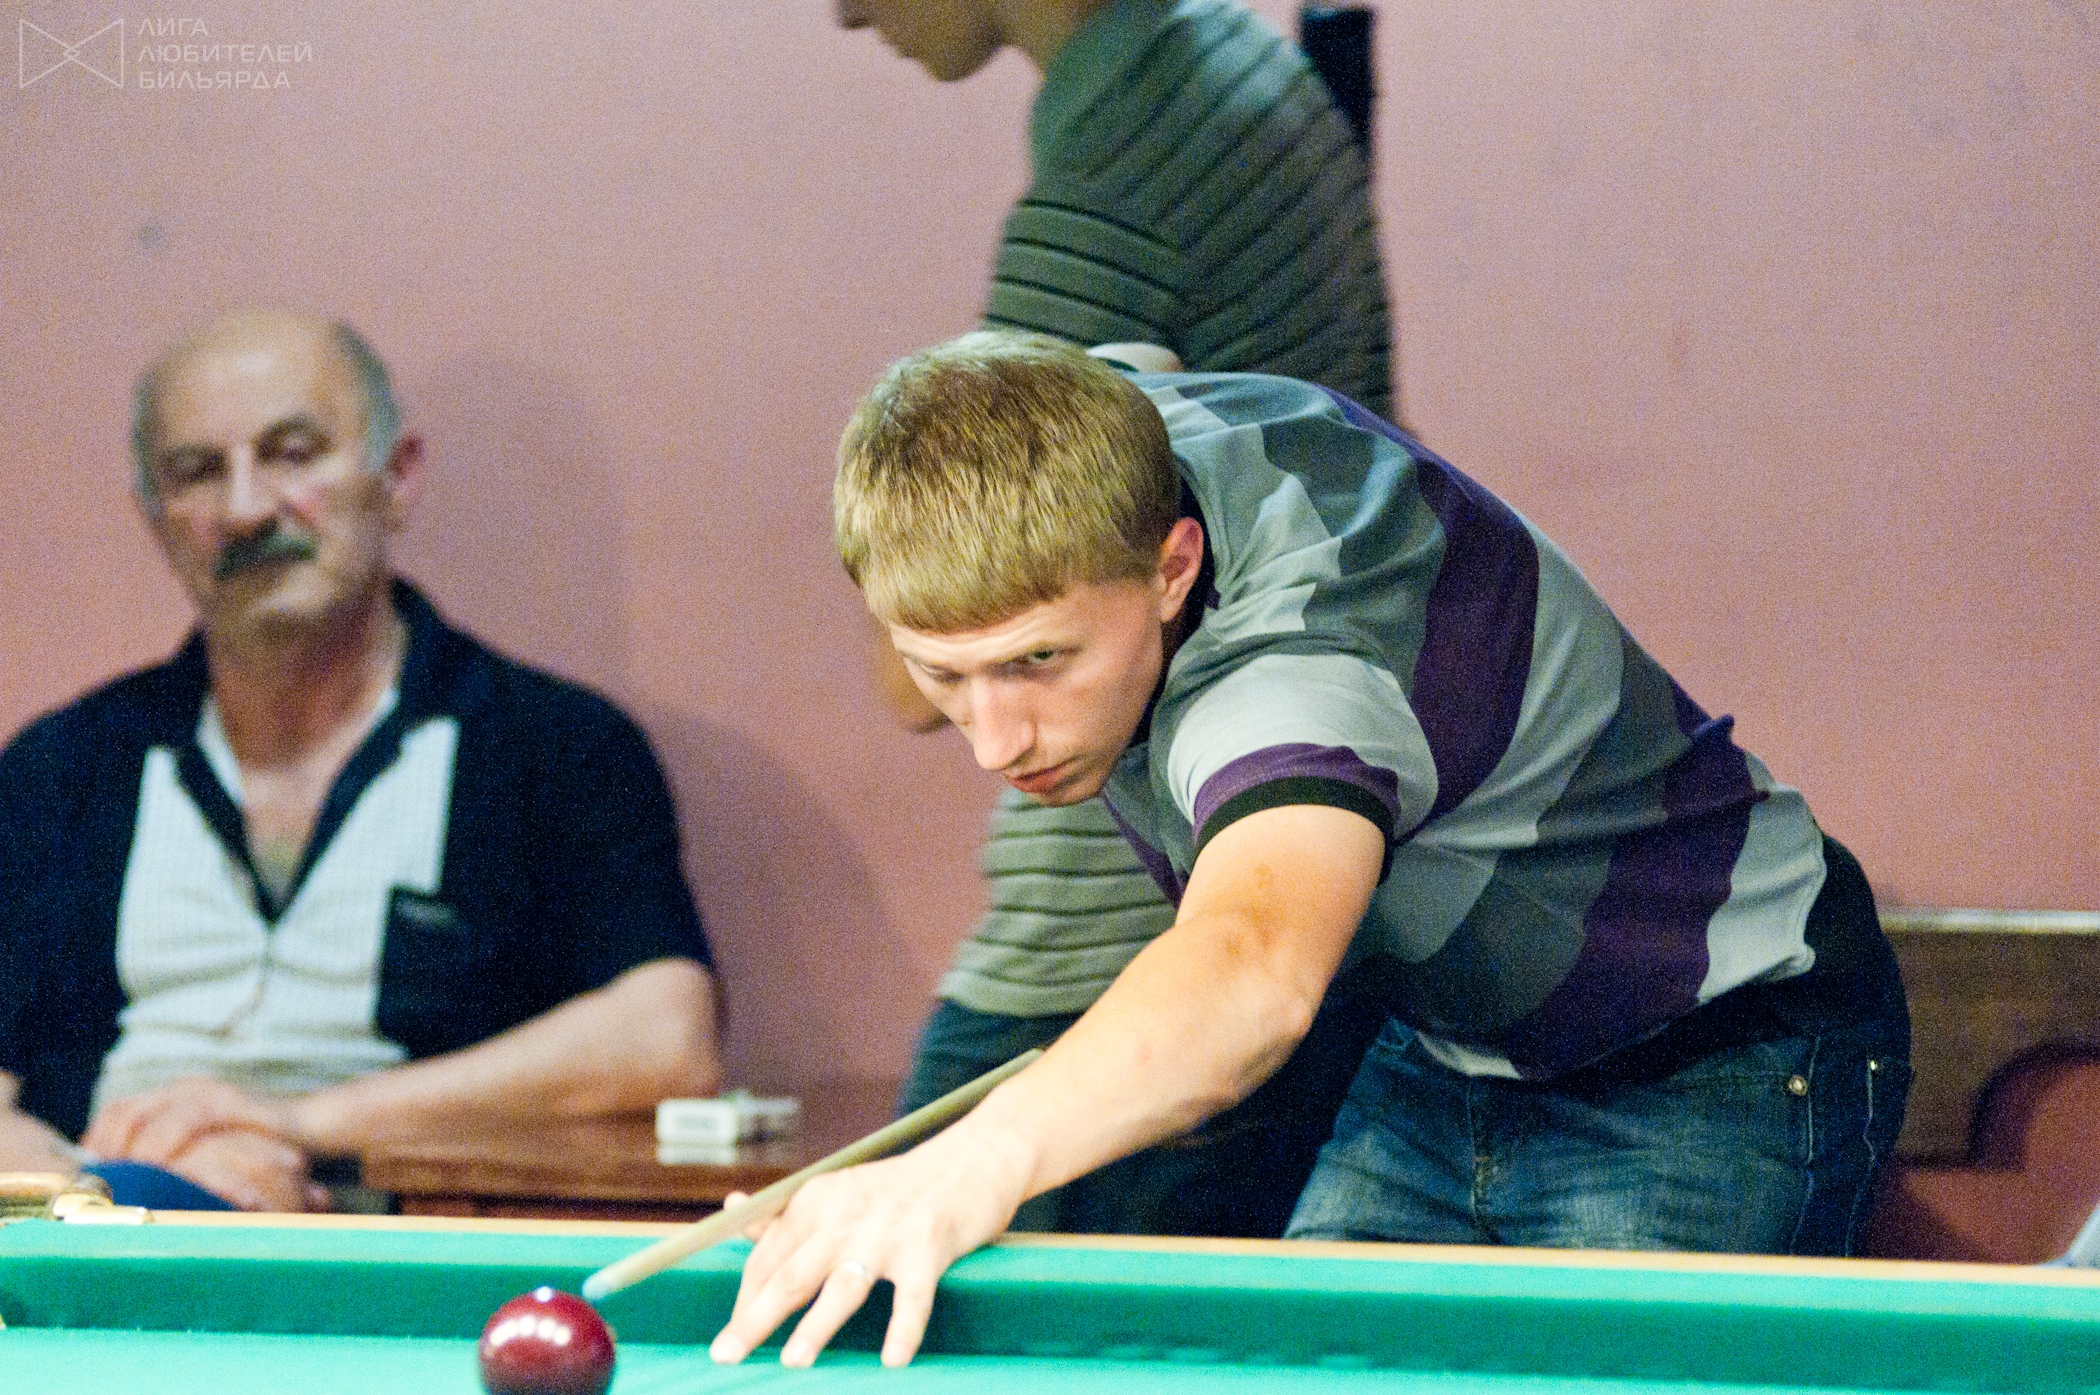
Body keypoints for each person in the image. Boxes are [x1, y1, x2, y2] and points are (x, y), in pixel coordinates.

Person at [708, 332, 1911, 1368]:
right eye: (946, 674)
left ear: (1173, 567)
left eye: (1040, 661)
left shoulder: (1298, 677)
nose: (996, 742)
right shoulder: (1101, 431)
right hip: (1449, 1044)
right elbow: (1117, 370)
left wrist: (971, 1164)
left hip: (1713, 1045)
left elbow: (1252, 970)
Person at [839, 0, 1395, 1235]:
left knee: (859, 1297)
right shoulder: (1251, 79)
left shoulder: (1124, 167)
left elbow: (912, 658)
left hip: (1123, 949)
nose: (843, 11)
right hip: (1238, 888)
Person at [0, 309, 722, 1211]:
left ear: (397, 477)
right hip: (99, 1233)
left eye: (292, 454)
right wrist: (98, 1180)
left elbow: (669, 1037)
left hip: (395, 1240)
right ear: (154, 519)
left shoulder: (551, 748)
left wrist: (296, 1124)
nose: (246, 508)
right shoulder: (61, 770)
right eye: (196, 472)